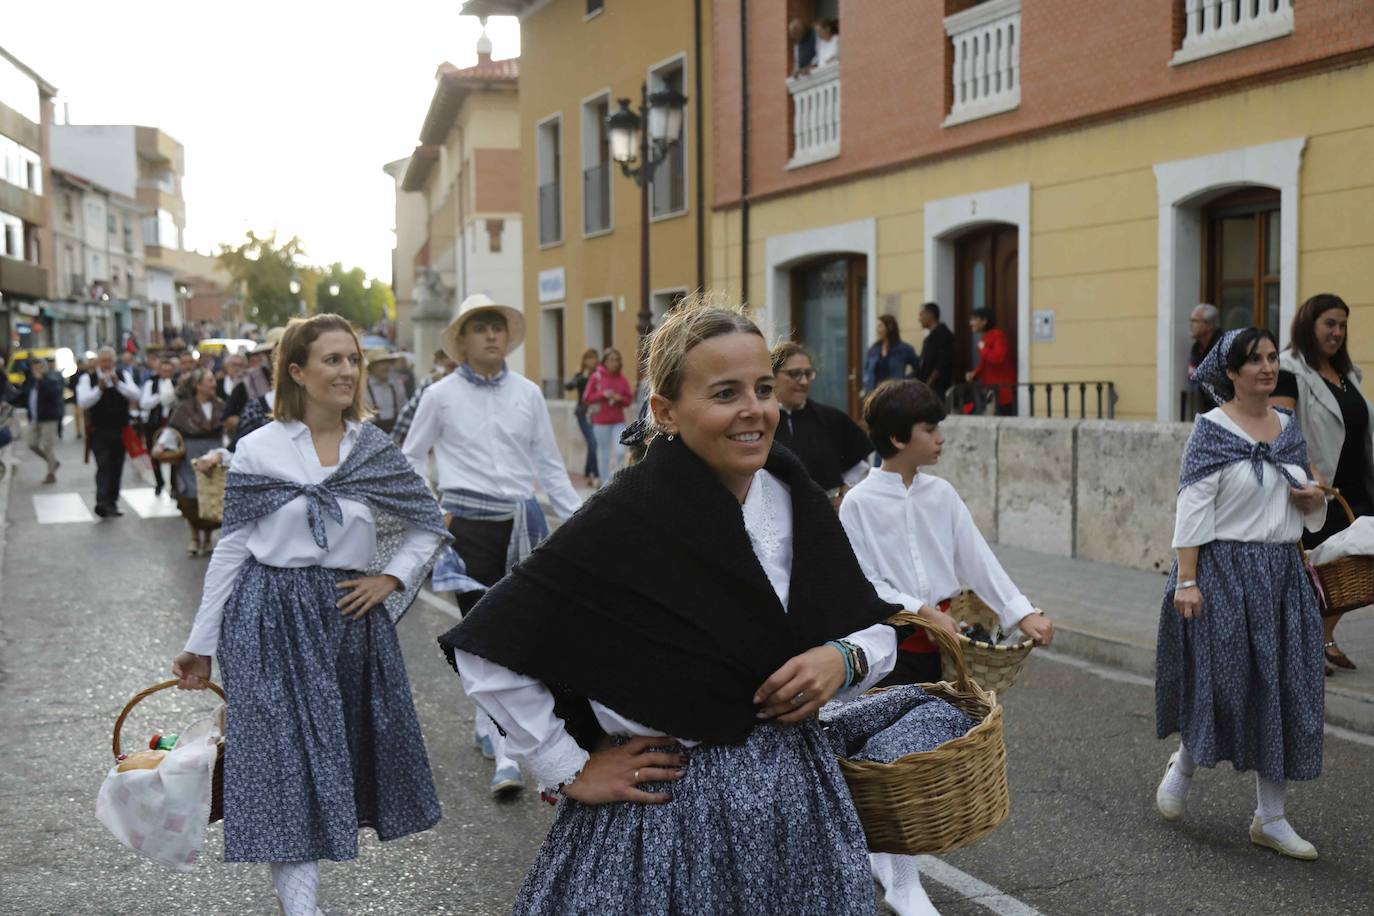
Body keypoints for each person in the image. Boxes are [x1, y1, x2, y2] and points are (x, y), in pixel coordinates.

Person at [439, 297, 902, 914]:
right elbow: (488, 647)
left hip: (798, 801)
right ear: (665, 411)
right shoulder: (625, 518)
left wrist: (842, 659)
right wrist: (568, 766)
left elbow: (877, 624)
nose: (754, 410)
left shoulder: (796, 496)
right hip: (669, 813)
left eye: (763, 388)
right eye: (724, 393)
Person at [170, 314, 450, 916]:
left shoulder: (373, 449)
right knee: (282, 763)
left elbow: (428, 523)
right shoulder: (258, 448)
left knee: (337, 755)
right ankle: (303, 908)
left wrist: (390, 577)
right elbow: (233, 547)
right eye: (332, 360)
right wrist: (203, 641)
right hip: (268, 620)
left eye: (352, 359)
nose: (347, 371)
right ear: (296, 371)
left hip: (348, 625)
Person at [839, 378, 1055, 916]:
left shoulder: (943, 494)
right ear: (895, 438)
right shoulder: (859, 504)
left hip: (946, 645)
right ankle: (904, 882)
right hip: (889, 645)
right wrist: (918, 606)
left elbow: (976, 556)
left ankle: (892, 865)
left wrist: (1019, 609)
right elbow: (861, 581)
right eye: (930, 429)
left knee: (929, 755)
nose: (940, 438)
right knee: (893, 760)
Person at [1154, 328, 1327, 861]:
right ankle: (1184, 763)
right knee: (1224, 686)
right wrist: (1187, 580)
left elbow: (1309, 505)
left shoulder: (1289, 429)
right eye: (1254, 360)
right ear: (1230, 372)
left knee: (1283, 691)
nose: (1267, 367)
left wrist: (1310, 496)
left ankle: (1270, 818)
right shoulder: (1211, 429)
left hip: (1280, 575)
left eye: (1273, 358)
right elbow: (1193, 508)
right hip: (1223, 572)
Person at [401, 293, 582, 797]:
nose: (491, 335)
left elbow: (549, 463)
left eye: (498, 326)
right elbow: (411, 457)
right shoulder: (438, 396)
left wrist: (580, 521)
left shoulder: (527, 394)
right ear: (460, 340)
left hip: (522, 522)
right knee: (479, 640)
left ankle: (503, 741)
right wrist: (430, 511)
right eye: (480, 328)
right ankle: (497, 738)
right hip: (468, 526)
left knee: (518, 640)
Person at [1271, 293, 1371, 675]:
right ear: (1309, 324)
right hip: (1320, 489)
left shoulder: (1348, 374)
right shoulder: (1289, 369)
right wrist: (1308, 470)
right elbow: (1282, 425)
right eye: (1330, 323)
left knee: (1354, 567)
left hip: (1357, 488)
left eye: (1343, 325)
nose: (1338, 332)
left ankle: (1321, 639)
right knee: (1317, 573)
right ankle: (1310, 644)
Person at [771, 341, 871, 501]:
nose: (803, 381)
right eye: (794, 373)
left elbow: (859, 464)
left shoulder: (830, 418)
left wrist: (843, 493)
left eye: (808, 374)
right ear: (773, 377)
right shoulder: (762, 421)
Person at [75, 346, 142, 518]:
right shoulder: (87, 379)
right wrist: (99, 388)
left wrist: (118, 384)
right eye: (104, 361)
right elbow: (83, 402)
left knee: (117, 466)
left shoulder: (123, 376)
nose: (107, 364)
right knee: (103, 465)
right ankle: (102, 502)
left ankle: (112, 501)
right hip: (99, 431)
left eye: (110, 361)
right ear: (98, 361)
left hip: (120, 429)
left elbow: (136, 395)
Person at [167, 368, 226, 556]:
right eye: (209, 380)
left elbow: (227, 433)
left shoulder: (220, 406)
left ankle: (208, 539)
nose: (214, 384)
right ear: (198, 385)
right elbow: (172, 432)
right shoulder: (183, 408)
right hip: (190, 456)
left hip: (212, 454)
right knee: (191, 496)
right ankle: (194, 537)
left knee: (211, 495)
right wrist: (161, 446)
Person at [7, 355, 64, 484]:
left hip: (49, 419)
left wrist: (42, 381)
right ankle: (53, 462)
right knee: (32, 443)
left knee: (47, 445)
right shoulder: (31, 381)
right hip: (35, 418)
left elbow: (54, 395)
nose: (36, 370)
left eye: (39, 368)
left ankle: (51, 473)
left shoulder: (51, 380)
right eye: (34, 368)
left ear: (44, 368)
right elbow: (22, 395)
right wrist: (7, 402)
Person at [582, 347, 632, 484]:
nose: (613, 363)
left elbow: (628, 400)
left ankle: (618, 481)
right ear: (604, 362)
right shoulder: (596, 377)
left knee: (621, 451)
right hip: (601, 422)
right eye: (610, 360)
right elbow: (586, 397)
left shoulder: (622, 379)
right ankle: (605, 485)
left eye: (616, 360)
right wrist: (602, 394)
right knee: (603, 455)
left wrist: (619, 398)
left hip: (618, 421)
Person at [390, 348, 458, 447]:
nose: (452, 361)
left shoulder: (477, 384)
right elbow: (411, 410)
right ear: (441, 361)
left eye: (455, 357)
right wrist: (395, 439)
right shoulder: (432, 381)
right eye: (447, 357)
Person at [140, 357, 180, 496]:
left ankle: (174, 484)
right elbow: (144, 403)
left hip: (172, 421)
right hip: (154, 422)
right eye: (163, 371)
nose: (166, 373)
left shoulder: (177, 384)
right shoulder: (151, 384)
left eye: (169, 371)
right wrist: (159, 397)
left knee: (174, 452)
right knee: (154, 453)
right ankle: (159, 481)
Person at [965, 308, 1015, 416]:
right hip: (990, 389)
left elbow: (998, 358)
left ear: (984, 321)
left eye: (974, 319)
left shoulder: (998, 335)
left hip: (1002, 390)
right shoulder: (984, 339)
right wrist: (974, 374)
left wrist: (983, 349)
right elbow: (984, 364)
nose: (971, 323)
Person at [563, 348, 602, 487]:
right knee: (592, 442)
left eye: (593, 357)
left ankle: (587, 471)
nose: (591, 361)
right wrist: (578, 379)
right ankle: (595, 475)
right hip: (582, 413)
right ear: (584, 361)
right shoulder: (580, 375)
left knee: (593, 442)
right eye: (588, 358)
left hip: (597, 413)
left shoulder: (600, 374)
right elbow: (568, 386)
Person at [862, 315, 920, 399]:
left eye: (880, 326)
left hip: (895, 393)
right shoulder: (874, 349)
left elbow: (917, 367)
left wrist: (905, 380)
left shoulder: (904, 349)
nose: (877, 329)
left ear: (890, 327)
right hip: (874, 393)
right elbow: (866, 369)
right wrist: (866, 384)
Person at [1188, 304, 1221, 417]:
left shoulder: (1222, 347)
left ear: (1208, 325)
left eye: (1195, 321)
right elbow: (1193, 378)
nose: (1190, 325)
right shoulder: (1196, 348)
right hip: (1204, 411)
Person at [364, 350, 409, 435]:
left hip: (395, 435)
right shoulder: (363, 388)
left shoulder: (396, 385)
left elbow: (405, 410)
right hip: (371, 436)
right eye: (381, 363)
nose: (386, 366)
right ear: (372, 366)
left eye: (388, 362)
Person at [916, 303, 954, 400]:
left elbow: (942, 363)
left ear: (930, 314)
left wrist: (929, 384)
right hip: (927, 389)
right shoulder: (929, 338)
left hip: (938, 390)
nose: (919, 319)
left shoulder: (943, 335)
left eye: (921, 314)